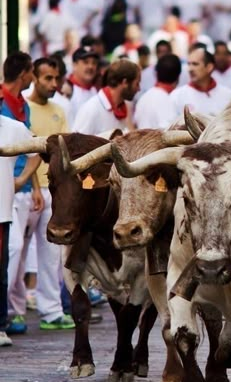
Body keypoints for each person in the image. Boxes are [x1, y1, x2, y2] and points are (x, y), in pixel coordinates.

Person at [21, 57, 74, 331]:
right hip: (27, 189)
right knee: (16, 253)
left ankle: (51, 311)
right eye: (48, 78)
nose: (54, 84)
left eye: (56, 78)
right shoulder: (22, 107)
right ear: (34, 77)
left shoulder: (59, 110)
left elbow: (65, 152)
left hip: (56, 192)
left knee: (52, 254)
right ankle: (13, 310)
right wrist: (34, 186)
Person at [2, 52, 43, 335]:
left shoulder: (19, 111)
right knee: (15, 251)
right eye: (33, 72)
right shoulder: (8, 102)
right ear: (24, 74)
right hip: (10, 193)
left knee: (15, 252)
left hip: (12, 192)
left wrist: (28, 182)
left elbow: (34, 148)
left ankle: (10, 315)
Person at [73, 59, 141, 134]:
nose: (139, 89)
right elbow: (76, 143)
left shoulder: (122, 107)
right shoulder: (92, 109)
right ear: (124, 83)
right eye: (137, 84)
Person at [170, 44, 231, 118]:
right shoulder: (177, 96)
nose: (190, 69)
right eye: (189, 64)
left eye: (195, 64)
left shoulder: (228, 96)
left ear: (209, 67)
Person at [134, 53, 181, 130]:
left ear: (156, 74)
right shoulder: (166, 101)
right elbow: (169, 133)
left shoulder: (143, 98)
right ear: (178, 77)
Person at [67, 46, 99, 121]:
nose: (90, 67)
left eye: (94, 63)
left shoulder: (96, 90)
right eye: (86, 62)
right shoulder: (67, 90)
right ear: (75, 65)